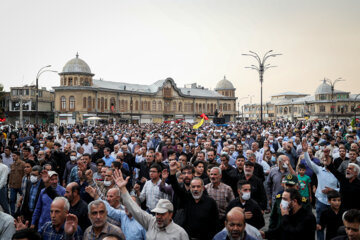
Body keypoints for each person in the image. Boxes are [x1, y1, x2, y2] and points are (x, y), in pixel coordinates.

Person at [108, 169, 189, 239]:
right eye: (157, 213)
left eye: (162, 214)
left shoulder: (180, 233)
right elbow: (134, 209)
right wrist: (122, 188)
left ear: (171, 214)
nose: (158, 217)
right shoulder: (151, 222)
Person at [168, 160, 219, 239]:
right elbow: (175, 187)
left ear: (203, 188)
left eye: (198, 187)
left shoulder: (210, 202)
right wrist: (172, 172)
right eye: (193, 187)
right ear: (190, 188)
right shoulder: (186, 198)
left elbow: (215, 223)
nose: (196, 189)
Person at [9, 151, 26, 216]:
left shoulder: (23, 164)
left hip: (21, 185)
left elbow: (25, 174)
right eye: (12, 156)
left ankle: (21, 213)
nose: (13, 157)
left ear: (18, 156)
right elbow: (11, 175)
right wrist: (9, 184)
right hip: (13, 185)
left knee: (23, 200)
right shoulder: (12, 164)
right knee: (12, 200)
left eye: (14, 156)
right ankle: (13, 214)